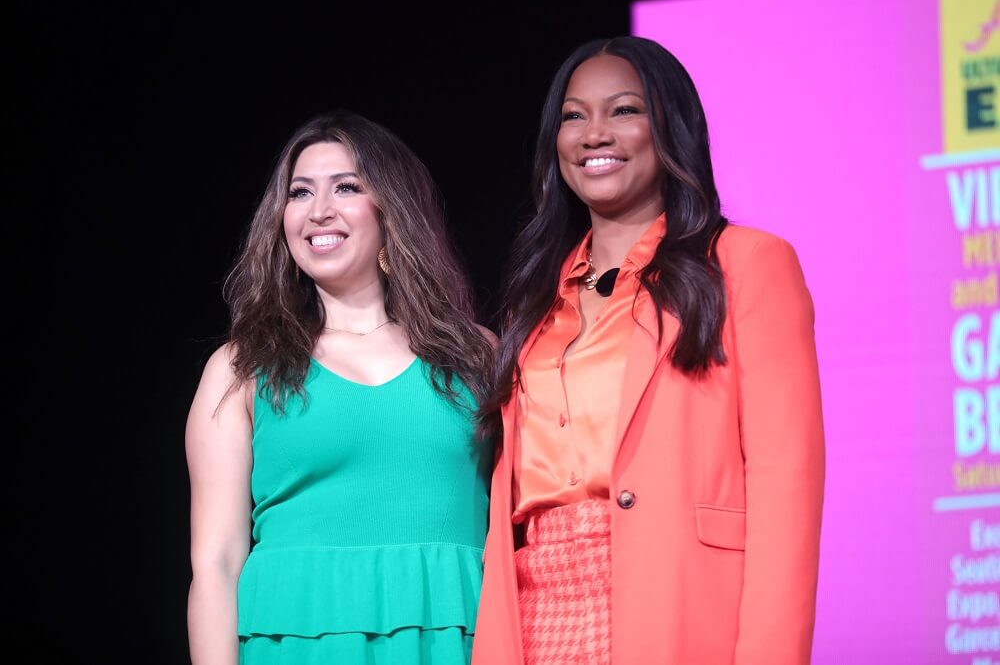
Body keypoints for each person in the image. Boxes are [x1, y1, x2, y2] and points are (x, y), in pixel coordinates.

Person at [472, 36, 825, 665]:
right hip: (535, 615)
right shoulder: (533, 302)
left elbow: (786, 491)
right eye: (573, 116)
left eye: (624, 111)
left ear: (671, 128)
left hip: (676, 606)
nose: (594, 133)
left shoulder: (745, 265)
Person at [185, 110, 496, 664]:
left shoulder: (478, 356)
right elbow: (217, 564)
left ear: (390, 210)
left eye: (346, 187)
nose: (318, 210)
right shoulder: (240, 369)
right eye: (299, 193)